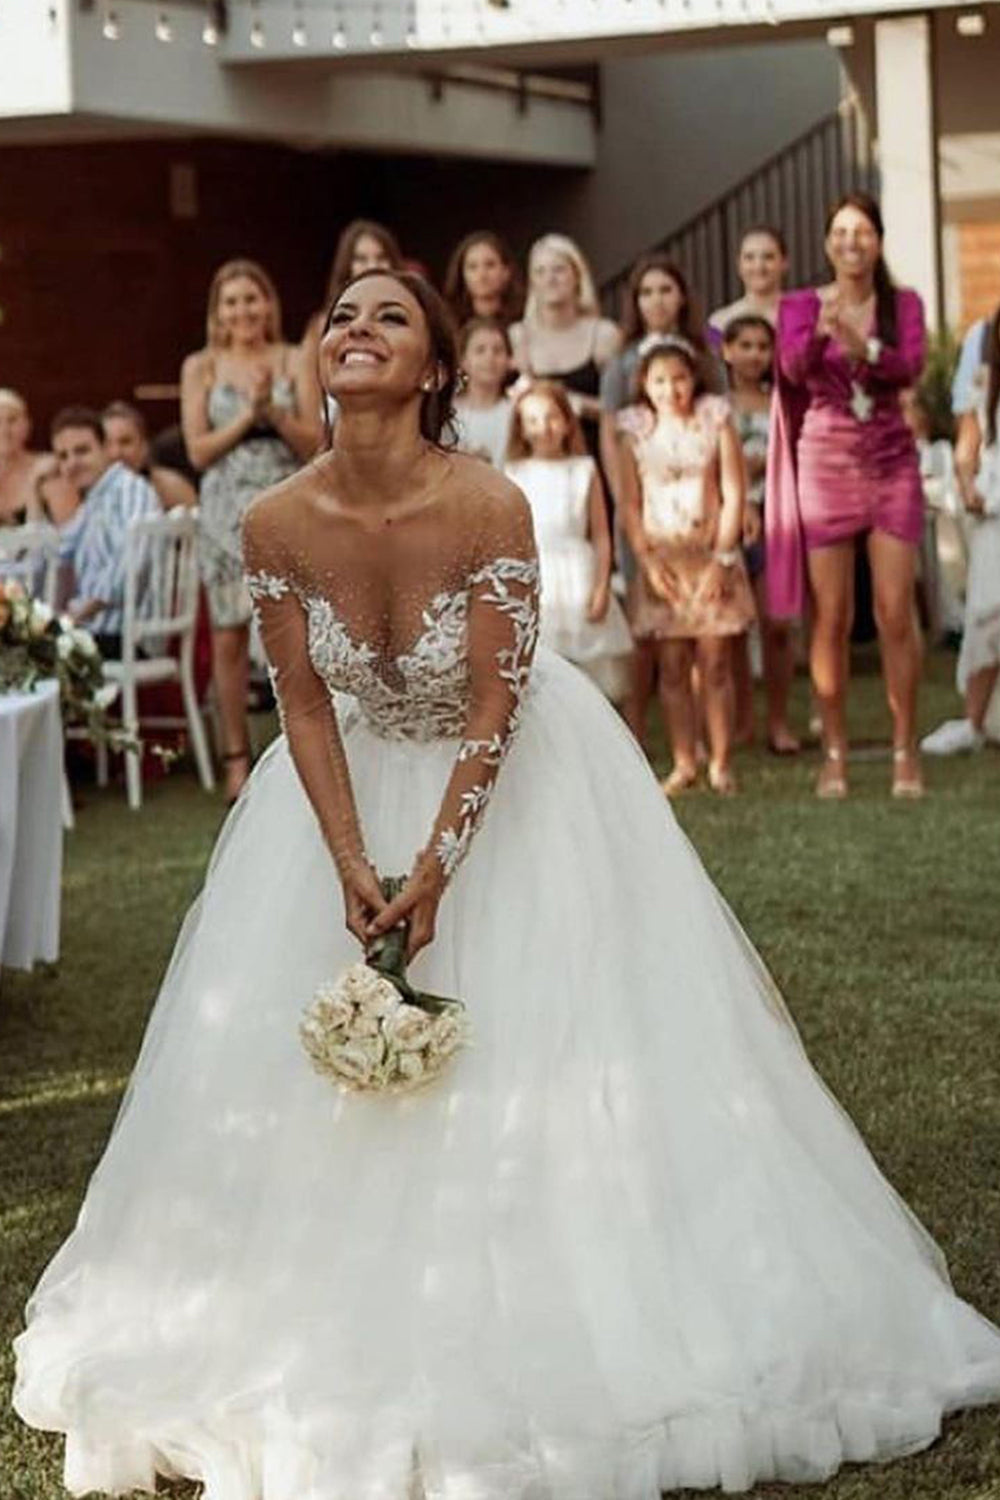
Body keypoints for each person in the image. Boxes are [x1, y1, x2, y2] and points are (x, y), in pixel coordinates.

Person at [16, 267, 1000, 1500]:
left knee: (553, 1048)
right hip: (340, 800)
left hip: (516, 793)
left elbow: (493, 702)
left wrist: (434, 866)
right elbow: (304, 706)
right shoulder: (275, 525)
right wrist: (348, 862)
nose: (358, 329)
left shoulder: (486, 502)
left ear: (433, 370)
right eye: (346, 316)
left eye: (391, 316)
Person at [767, 194, 927, 800]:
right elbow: (790, 368)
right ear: (829, 244)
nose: (851, 241)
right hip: (826, 460)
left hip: (891, 461)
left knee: (892, 611)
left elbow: (910, 366)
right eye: (840, 232)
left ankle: (904, 749)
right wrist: (820, 335)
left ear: (878, 242)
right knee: (831, 616)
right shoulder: (802, 304)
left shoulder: (902, 303)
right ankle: (833, 753)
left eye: (862, 231)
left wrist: (868, 350)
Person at [181, 258, 322, 802]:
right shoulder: (202, 365)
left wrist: (276, 413)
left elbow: (316, 443)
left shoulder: (293, 357)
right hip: (223, 511)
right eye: (232, 301)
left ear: (269, 305)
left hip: (287, 503)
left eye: (252, 298)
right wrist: (248, 414)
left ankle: (303, 749)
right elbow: (197, 449)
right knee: (229, 634)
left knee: (300, 631)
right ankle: (236, 756)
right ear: (218, 312)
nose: (243, 310)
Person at [618, 336, 755, 795]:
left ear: (693, 378)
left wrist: (723, 558)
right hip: (664, 563)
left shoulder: (714, 422)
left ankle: (720, 760)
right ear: (645, 384)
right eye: (659, 380)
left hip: (709, 555)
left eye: (678, 378)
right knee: (672, 666)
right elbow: (630, 503)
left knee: (715, 663)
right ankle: (683, 760)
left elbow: (734, 492)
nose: (670, 389)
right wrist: (647, 561)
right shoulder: (635, 431)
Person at [599, 255, 721, 745]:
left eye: (666, 290)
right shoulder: (622, 362)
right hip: (641, 504)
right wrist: (623, 498)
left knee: (702, 626)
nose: (657, 301)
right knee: (645, 625)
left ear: (682, 297)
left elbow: (718, 425)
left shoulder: (704, 357)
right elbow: (610, 435)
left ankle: (711, 735)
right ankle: (635, 730)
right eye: (646, 292)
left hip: (695, 507)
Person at [504, 380, 632, 698]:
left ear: (566, 422)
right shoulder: (514, 472)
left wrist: (601, 587)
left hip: (579, 575)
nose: (543, 428)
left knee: (588, 674)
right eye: (532, 420)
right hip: (536, 576)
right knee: (541, 671)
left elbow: (601, 535)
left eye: (551, 418)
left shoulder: (583, 469)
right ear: (520, 428)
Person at [922, 305, 1000, 754]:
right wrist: (968, 482)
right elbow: (969, 432)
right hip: (994, 503)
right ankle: (974, 720)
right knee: (988, 613)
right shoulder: (983, 338)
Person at [722, 315, 800, 753]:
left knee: (777, 624)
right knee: (736, 625)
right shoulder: (717, 405)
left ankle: (778, 719)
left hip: (778, 517)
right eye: (745, 345)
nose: (754, 354)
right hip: (731, 518)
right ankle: (743, 719)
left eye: (762, 346)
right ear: (727, 351)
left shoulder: (781, 402)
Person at [50, 406, 161, 657]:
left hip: (126, 635)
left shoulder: (130, 490)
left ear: (105, 449)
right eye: (63, 456)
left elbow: (131, 564)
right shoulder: (94, 501)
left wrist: (77, 614)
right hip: (98, 632)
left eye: (82, 451)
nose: (72, 463)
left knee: (22, 655)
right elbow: (55, 552)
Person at [508, 233, 622, 457]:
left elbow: (620, 411)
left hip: (595, 456)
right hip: (538, 461)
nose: (550, 278)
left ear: (577, 276)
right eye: (540, 271)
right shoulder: (518, 335)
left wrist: (572, 402)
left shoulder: (604, 334)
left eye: (558, 269)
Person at [300, 218, 404, 387]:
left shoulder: (408, 321)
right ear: (347, 266)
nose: (372, 266)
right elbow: (310, 390)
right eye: (361, 259)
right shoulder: (322, 325)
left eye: (381, 257)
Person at [0, 388, 76, 527]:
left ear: (27, 425)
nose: (5, 430)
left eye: (12, 420)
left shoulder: (49, 470)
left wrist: (33, 485)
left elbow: (73, 535)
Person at [102, 401, 197, 511]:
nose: (116, 453)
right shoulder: (85, 496)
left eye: (126, 442)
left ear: (144, 447)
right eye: (107, 444)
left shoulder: (172, 489)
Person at [708, 225, 789, 343]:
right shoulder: (719, 322)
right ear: (739, 265)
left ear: (784, 263)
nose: (759, 266)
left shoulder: (802, 315)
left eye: (768, 257)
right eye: (749, 258)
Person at [452, 317, 514, 469]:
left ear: (508, 359)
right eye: (480, 350)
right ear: (463, 361)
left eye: (498, 350)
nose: (490, 358)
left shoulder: (515, 412)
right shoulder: (449, 414)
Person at [443, 229, 523, 328]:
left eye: (490, 265)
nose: (481, 275)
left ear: (506, 272)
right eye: (472, 267)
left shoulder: (523, 323)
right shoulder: (449, 324)